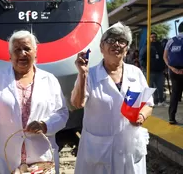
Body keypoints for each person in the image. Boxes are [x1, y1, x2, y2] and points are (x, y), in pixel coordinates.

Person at [0, 30, 68, 174]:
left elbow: (62, 113)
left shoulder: (49, 80)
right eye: (17, 50)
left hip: (41, 159)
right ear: (10, 55)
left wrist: (46, 125)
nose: (22, 54)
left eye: (27, 49)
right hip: (5, 157)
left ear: (35, 52)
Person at [71, 22, 154, 174]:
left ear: (127, 48)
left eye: (121, 40)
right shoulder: (90, 74)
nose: (116, 44)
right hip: (99, 149)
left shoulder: (136, 73)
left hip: (129, 147)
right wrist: (82, 74)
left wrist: (141, 115)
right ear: (102, 47)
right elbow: (77, 103)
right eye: (111, 40)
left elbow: (148, 103)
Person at [140, 32, 168, 107]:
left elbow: (164, 57)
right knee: (149, 88)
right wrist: (146, 67)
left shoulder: (160, 46)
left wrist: (164, 67)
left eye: (155, 36)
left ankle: (161, 101)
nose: (154, 38)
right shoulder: (145, 47)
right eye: (152, 37)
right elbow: (141, 59)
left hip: (159, 71)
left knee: (160, 87)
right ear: (148, 38)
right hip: (150, 71)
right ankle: (150, 102)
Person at [163, 22, 183, 124]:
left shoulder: (171, 40)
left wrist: (172, 68)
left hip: (173, 70)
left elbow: (165, 57)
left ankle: (171, 117)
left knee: (174, 93)